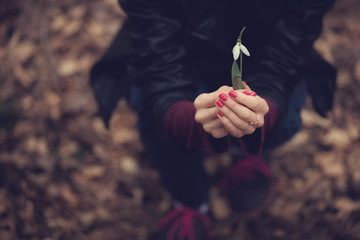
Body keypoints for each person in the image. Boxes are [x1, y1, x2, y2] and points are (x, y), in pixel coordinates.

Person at [90, 0, 337, 239]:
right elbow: (158, 59)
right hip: (175, 54)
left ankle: (245, 153)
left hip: (268, 60)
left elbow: (292, 42)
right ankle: (189, 198)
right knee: (152, 109)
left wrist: (265, 112)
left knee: (283, 118)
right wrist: (183, 121)